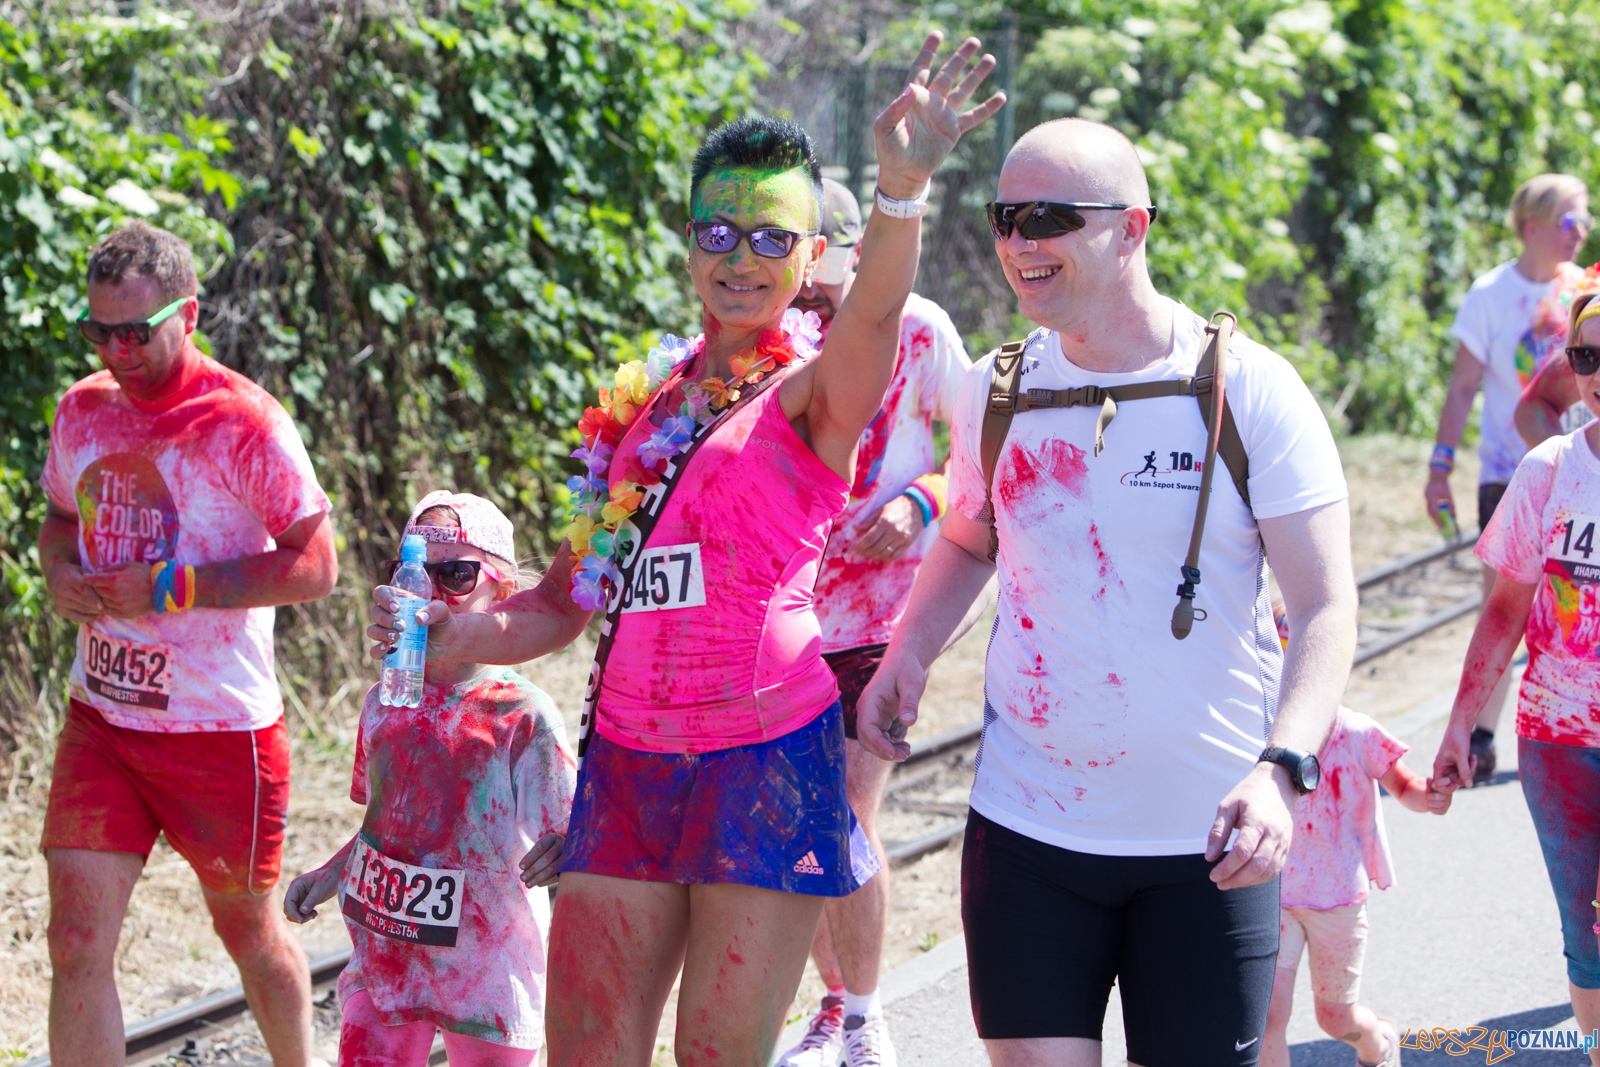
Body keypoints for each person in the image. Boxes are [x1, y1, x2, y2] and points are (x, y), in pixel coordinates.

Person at [365, 34, 1004, 1067]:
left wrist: (900, 189)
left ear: (807, 257)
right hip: (626, 763)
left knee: (716, 1052)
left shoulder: (810, 396)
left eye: (768, 236)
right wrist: (453, 633)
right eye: (717, 230)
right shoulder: (637, 412)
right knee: (586, 1050)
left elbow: (878, 311)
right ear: (689, 243)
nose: (739, 257)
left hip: (760, 760)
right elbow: (562, 605)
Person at [855, 117, 1359, 1067]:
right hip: (1029, 830)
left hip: (1210, 838)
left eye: (1048, 217)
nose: (1018, 243)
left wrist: (1282, 765)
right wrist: (908, 652)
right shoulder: (994, 389)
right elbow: (969, 536)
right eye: (1006, 216)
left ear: (1131, 228)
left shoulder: (1244, 390)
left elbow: (1328, 605)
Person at [38, 221, 338, 1066]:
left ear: (191, 314)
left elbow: (316, 566)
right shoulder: (82, 409)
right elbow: (59, 522)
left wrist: (174, 587)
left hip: (219, 734)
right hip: (102, 720)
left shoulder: (245, 423)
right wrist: (59, 571)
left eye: (136, 330)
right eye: (100, 330)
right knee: (73, 941)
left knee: (249, 932)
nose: (118, 351)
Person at [777, 179, 983, 1067]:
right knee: (801, 821)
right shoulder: (773, 333)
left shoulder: (925, 327)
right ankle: (835, 1007)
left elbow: (973, 461)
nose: (815, 286)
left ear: (860, 250)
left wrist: (922, 504)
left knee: (845, 809)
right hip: (783, 614)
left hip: (883, 614)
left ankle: (864, 1018)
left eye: (827, 260)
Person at [285, 492, 575, 1067]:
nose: (432, 595)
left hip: (487, 965)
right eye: (416, 573)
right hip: (387, 959)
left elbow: (568, 841)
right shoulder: (384, 701)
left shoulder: (522, 714)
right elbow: (388, 829)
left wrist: (566, 852)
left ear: (504, 592)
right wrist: (328, 874)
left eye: (457, 575)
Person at [1434, 287, 1600, 1066]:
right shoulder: (1549, 470)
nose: (1596, 374)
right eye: (1585, 358)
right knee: (1588, 932)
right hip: (1558, 739)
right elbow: (1504, 613)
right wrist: (1460, 726)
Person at [1424, 174, 1590, 783]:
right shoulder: (1490, 294)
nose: (1583, 232)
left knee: (1572, 609)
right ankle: (1485, 735)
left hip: (1588, 478)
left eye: (1586, 221)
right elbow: (1464, 386)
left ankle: (1568, 730)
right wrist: (1440, 467)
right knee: (1506, 605)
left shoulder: (1586, 290)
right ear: (1531, 226)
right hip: (1509, 475)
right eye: (1571, 221)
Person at [1260, 707, 1452, 1067]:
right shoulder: (1258, 725)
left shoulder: (1358, 733)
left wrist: (1431, 796)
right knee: (1267, 1013)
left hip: (1339, 900)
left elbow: (1406, 786)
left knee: (1334, 1019)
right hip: (1274, 892)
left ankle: (1379, 1046)